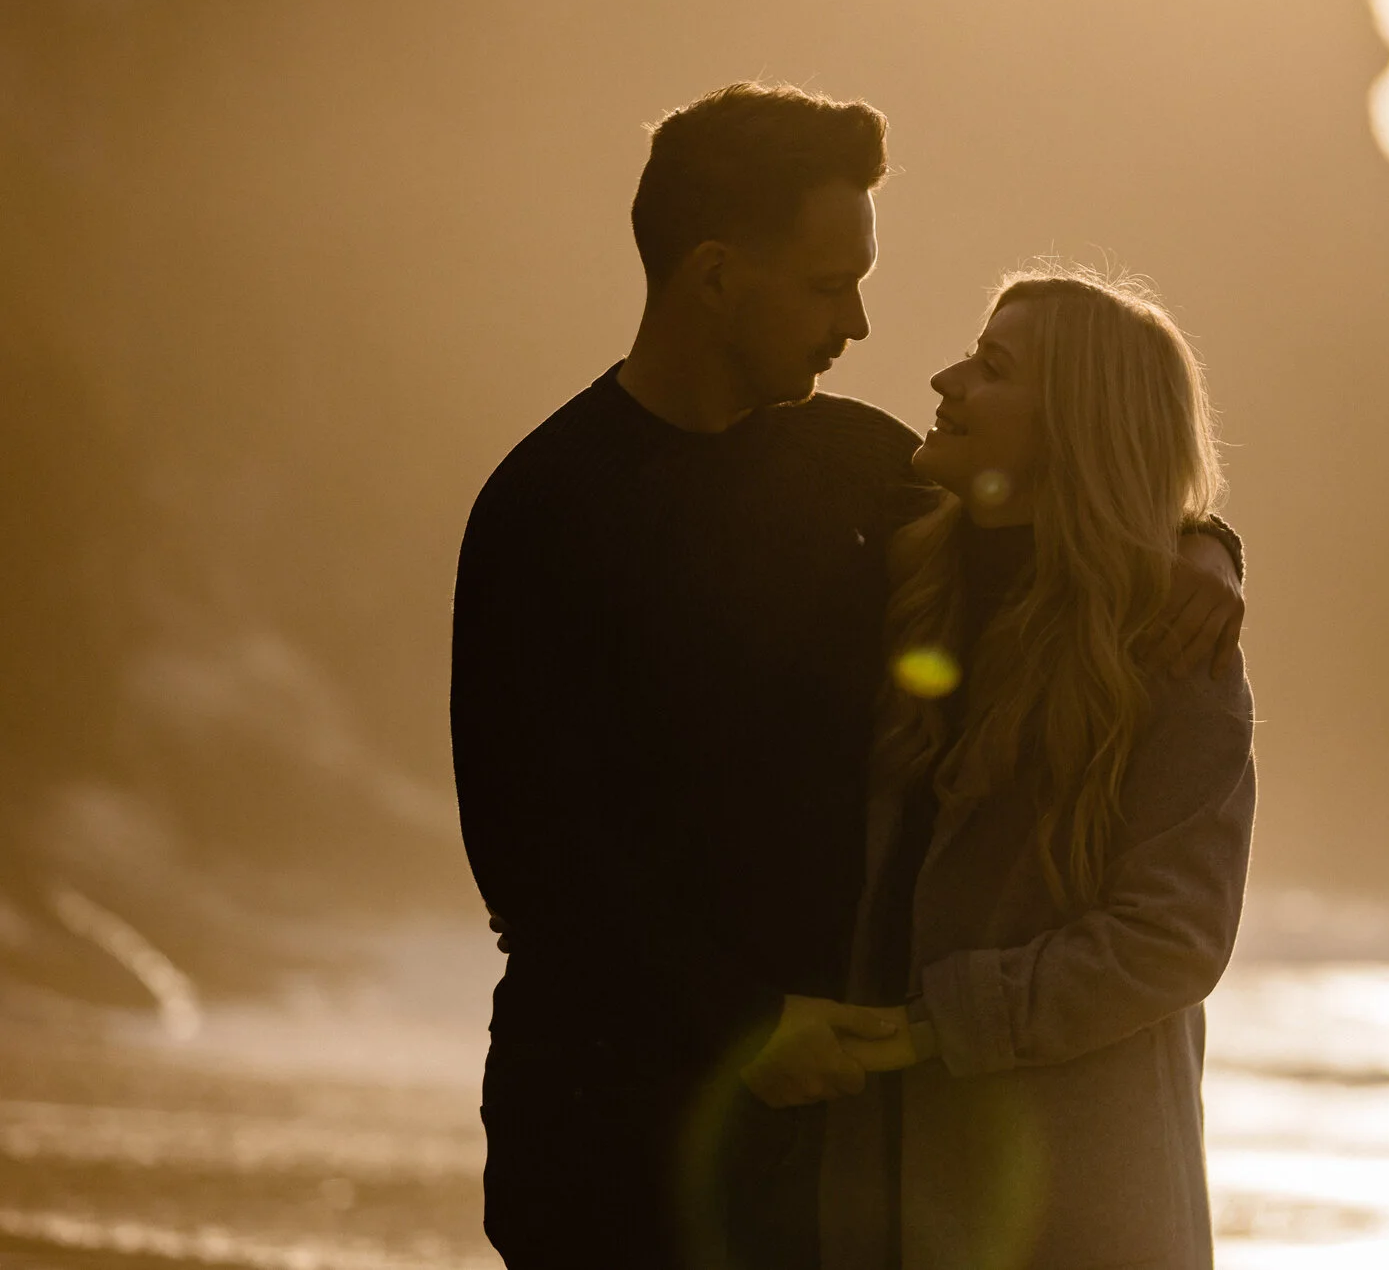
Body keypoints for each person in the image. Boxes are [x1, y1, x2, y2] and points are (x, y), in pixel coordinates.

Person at [450, 86, 1244, 1270]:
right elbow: (532, 864)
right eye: (829, 285)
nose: (862, 323)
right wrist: (743, 1025)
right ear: (716, 276)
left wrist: (1205, 552)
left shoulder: (865, 471)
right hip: (606, 1125)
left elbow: (1086, 502)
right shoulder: (545, 510)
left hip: (828, 1151)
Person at [761, 268, 1255, 1270]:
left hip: (1079, 1196)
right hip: (882, 1171)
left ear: (1079, 423)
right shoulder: (902, 578)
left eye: (991, 367)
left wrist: (934, 1025)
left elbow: (1172, 937)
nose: (943, 379)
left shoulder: (1169, 645)